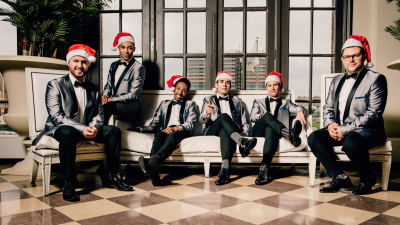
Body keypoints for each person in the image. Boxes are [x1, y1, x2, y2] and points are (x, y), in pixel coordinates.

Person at [33, 44, 133, 202]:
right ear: (69, 63)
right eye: (76, 61)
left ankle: (113, 176)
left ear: (88, 65)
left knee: (113, 130)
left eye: (84, 62)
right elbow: (56, 116)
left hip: (88, 129)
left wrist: (94, 127)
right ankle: (69, 182)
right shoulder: (55, 85)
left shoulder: (94, 88)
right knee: (68, 132)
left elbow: (100, 114)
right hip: (62, 129)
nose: (80, 65)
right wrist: (82, 128)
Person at [308, 35, 388, 195]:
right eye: (347, 57)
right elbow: (328, 107)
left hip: (367, 131)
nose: (351, 60)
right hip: (340, 129)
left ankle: (367, 179)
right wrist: (330, 125)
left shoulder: (376, 79)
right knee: (314, 138)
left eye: (355, 56)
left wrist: (344, 130)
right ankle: (339, 176)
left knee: (351, 143)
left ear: (363, 57)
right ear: (342, 59)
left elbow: (374, 113)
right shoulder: (336, 80)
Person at [130, 75, 198, 186]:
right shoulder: (164, 104)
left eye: (184, 91)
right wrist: (139, 128)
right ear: (174, 89)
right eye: (178, 89)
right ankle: (154, 176)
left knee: (172, 136)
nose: (180, 92)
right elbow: (154, 125)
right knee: (158, 136)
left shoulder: (190, 104)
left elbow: (190, 124)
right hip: (166, 130)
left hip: (182, 131)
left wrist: (177, 128)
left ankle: (150, 162)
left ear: (187, 93)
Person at [199, 71, 257, 185]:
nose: (224, 84)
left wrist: (244, 133)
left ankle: (225, 170)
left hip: (229, 132)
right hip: (212, 131)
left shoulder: (238, 102)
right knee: (224, 116)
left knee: (224, 130)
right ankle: (241, 142)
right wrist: (207, 113)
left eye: (227, 82)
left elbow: (246, 122)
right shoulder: (208, 99)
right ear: (216, 85)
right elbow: (201, 120)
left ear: (230, 86)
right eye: (222, 82)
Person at [250, 72, 307, 185]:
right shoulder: (258, 102)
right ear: (266, 87)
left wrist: (300, 111)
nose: (272, 87)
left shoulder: (287, 103)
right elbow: (252, 117)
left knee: (271, 129)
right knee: (267, 116)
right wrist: (263, 116)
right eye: (270, 85)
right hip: (259, 131)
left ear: (280, 87)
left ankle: (264, 169)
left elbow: (300, 108)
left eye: (275, 85)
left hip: (274, 133)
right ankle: (289, 134)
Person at [102, 32, 146, 125]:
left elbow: (133, 95)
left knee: (105, 107)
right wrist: (104, 96)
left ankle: (103, 133)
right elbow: (108, 85)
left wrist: (111, 99)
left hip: (128, 106)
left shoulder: (138, 68)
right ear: (118, 48)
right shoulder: (113, 65)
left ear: (134, 49)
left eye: (129, 48)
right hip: (112, 103)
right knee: (95, 104)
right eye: (123, 47)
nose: (126, 51)